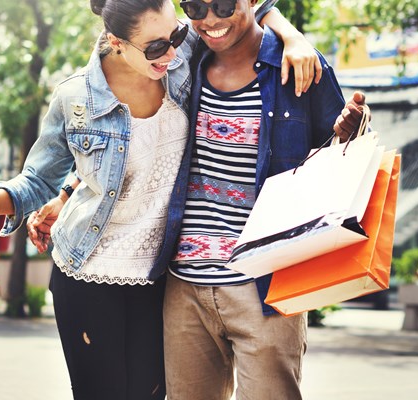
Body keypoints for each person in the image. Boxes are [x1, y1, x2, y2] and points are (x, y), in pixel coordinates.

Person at [0, 0, 325, 398]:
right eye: (155, 47)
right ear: (116, 42)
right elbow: (36, 179)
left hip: (157, 278)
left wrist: (292, 35)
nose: (172, 52)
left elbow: (236, 11)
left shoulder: (182, 63)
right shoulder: (76, 99)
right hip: (87, 273)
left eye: (176, 36)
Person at [160, 0, 367, 398]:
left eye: (222, 5)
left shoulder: (300, 64)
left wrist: (347, 131)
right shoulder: (182, 62)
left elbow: (340, 156)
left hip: (266, 287)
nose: (210, 20)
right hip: (184, 286)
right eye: (195, 7)